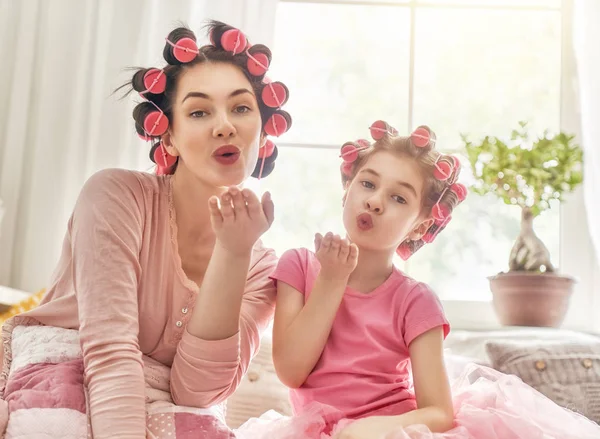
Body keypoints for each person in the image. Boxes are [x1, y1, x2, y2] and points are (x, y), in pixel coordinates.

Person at [0, 20, 292, 439]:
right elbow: (109, 351)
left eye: (241, 107)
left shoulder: (262, 267)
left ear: (262, 129)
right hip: (64, 374)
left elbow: (195, 391)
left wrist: (233, 253)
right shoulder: (116, 196)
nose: (225, 125)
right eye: (198, 111)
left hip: (162, 405)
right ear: (168, 137)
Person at [235, 121, 600, 439]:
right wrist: (331, 280)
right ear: (347, 189)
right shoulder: (298, 265)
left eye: (398, 198)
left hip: (395, 431)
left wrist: (375, 429)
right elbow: (291, 371)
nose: (375, 201)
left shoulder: (415, 300)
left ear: (421, 224)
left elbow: (439, 412)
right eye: (367, 183)